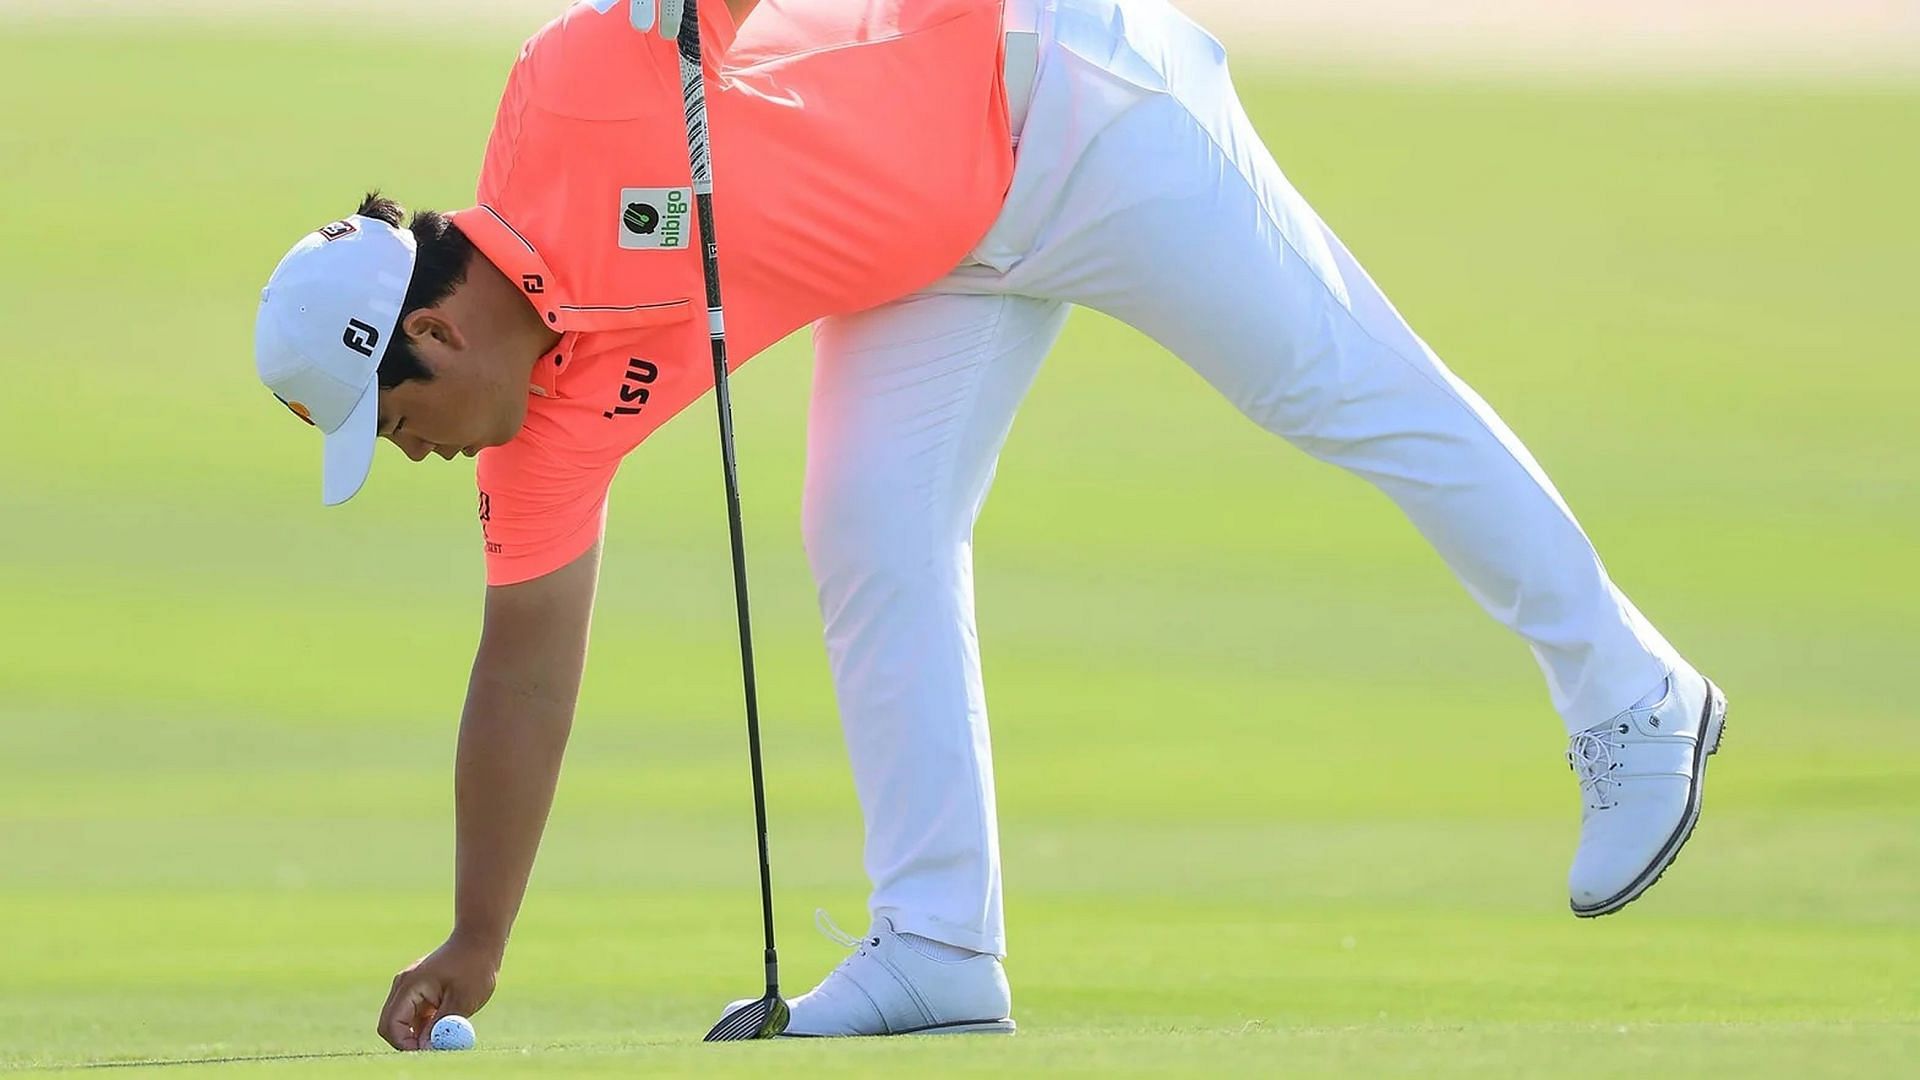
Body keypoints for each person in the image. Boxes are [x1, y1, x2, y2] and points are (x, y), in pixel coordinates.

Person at [251, 0, 1727, 1048]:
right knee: (872, 529)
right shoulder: (537, 437)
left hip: (1065, 98)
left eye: (392, 427)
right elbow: (523, 677)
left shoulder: (580, 79)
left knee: (1338, 384)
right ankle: (939, 944)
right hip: (935, 252)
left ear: (430, 340)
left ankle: (1632, 695)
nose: (417, 456)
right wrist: (478, 939)